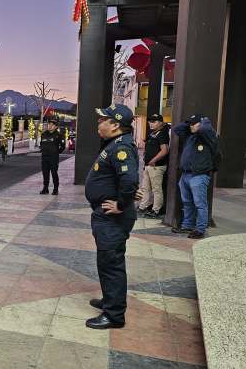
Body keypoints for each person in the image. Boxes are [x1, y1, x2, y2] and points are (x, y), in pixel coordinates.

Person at [84, 104, 139, 329]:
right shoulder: (115, 144)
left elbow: (129, 180)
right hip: (105, 215)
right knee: (107, 261)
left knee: (111, 263)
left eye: (102, 120)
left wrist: (121, 204)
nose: (99, 123)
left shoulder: (121, 147)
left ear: (115, 125)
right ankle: (110, 300)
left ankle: (114, 315)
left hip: (112, 217)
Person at [171, 114, 220, 239]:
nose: (191, 126)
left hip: (199, 176)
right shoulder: (190, 136)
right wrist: (189, 121)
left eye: (194, 123)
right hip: (186, 175)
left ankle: (200, 229)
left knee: (200, 204)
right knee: (187, 203)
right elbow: (177, 129)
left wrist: (204, 120)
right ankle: (187, 225)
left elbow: (204, 129)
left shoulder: (209, 136)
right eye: (190, 124)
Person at [138, 114, 170, 218]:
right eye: (150, 121)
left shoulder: (163, 134)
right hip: (148, 165)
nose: (151, 123)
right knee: (145, 188)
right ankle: (143, 206)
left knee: (156, 189)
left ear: (161, 123)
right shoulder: (153, 133)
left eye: (154, 121)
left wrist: (154, 160)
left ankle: (156, 210)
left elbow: (165, 150)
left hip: (156, 166)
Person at [39, 118, 66, 195]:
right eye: (49, 124)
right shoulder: (43, 134)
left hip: (53, 158)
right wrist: (42, 149)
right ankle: (45, 188)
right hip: (44, 157)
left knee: (54, 173)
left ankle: (55, 189)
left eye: (52, 125)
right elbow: (41, 143)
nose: (50, 126)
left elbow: (63, 146)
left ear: (55, 127)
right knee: (45, 173)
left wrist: (57, 152)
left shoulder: (59, 135)